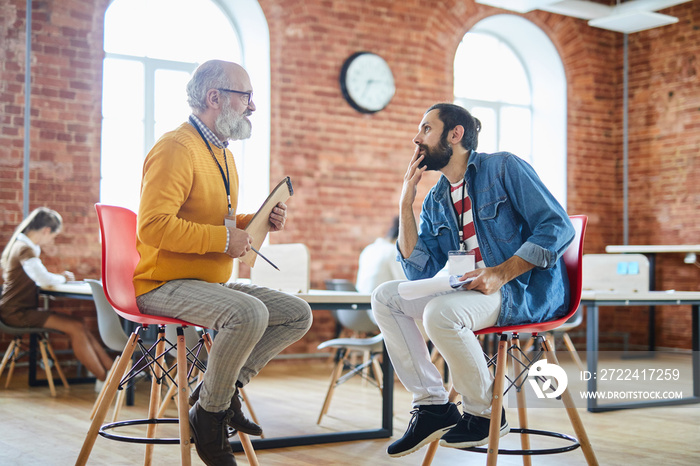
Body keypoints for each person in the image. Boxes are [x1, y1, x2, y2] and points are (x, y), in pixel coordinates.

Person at [133, 60, 312, 466]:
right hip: (163, 284)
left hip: (205, 284)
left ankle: (217, 392)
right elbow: (153, 228)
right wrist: (223, 238)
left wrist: (256, 220)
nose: (252, 106)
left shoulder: (221, 153)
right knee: (247, 312)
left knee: (296, 314)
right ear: (215, 98)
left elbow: (218, 221)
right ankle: (210, 417)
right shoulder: (177, 148)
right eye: (246, 96)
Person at [372, 103, 574, 457]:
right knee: (386, 297)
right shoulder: (436, 197)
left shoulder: (503, 168)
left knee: (440, 314)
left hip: (519, 289)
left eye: (426, 129)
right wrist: (407, 202)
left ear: (455, 134)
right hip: (471, 290)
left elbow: (557, 227)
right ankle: (433, 406)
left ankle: (485, 414)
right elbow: (417, 270)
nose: (416, 138)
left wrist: (499, 274)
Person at [0, 207, 113, 381]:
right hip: (16, 313)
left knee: (79, 324)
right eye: (53, 235)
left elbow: (39, 278)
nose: (52, 239)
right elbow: (42, 278)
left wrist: (59, 278)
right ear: (46, 231)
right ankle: (105, 380)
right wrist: (62, 278)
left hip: (17, 310)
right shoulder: (25, 249)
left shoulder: (20, 245)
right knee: (75, 327)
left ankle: (113, 374)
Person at [355, 216, 406, 295]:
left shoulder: (368, 249)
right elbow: (404, 282)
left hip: (361, 298)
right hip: (377, 301)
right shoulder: (392, 251)